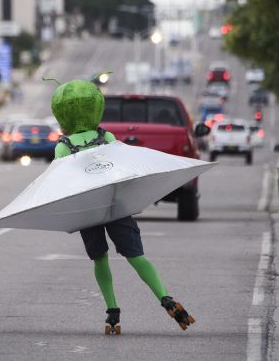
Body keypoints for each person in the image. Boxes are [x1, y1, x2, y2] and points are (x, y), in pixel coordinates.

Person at [49, 76, 195, 335]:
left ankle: (112, 310)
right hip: (115, 205)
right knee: (136, 256)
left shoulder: (63, 147)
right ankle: (165, 298)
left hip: (87, 210)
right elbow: (123, 165)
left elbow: (61, 183)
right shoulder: (107, 137)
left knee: (100, 258)